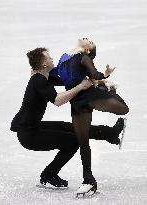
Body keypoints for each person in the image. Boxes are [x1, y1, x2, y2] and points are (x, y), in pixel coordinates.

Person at [10, 47, 125, 190]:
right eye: (49, 57)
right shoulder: (38, 80)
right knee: (72, 141)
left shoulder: (45, 76)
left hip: (33, 127)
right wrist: (81, 87)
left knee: (72, 128)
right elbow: (58, 100)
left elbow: (72, 80)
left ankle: (110, 134)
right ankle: (48, 175)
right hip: (29, 135)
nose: (52, 58)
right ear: (44, 65)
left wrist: (102, 81)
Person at [46, 38, 129, 190]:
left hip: (88, 96)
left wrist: (105, 75)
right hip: (76, 102)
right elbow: (58, 77)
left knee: (123, 109)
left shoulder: (84, 57)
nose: (87, 39)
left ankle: (108, 92)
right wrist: (40, 73)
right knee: (83, 141)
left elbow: (95, 74)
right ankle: (89, 180)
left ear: (88, 50)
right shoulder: (64, 57)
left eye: (90, 42)